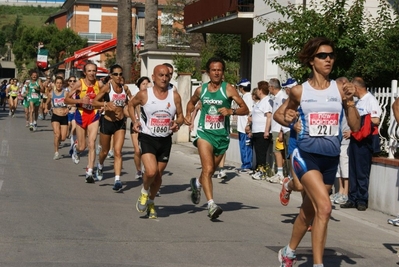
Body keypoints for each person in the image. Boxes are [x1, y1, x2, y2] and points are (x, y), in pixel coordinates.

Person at [274, 37, 360, 266]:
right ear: (312, 60)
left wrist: (350, 103)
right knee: (325, 207)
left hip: (330, 159)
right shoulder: (299, 91)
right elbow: (280, 116)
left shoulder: (340, 88)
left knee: (308, 212)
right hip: (306, 155)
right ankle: (318, 264)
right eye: (322, 56)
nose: (328, 59)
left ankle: (288, 251)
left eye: (331, 55)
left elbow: (356, 126)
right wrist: (292, 122)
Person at [184, 57, 249, 219]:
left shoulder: (229, 89)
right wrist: (187, 115)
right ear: (208, 72)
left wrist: (231, 112)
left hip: (222, 136)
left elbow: (245, 109)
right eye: (213, 70)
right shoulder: (202, 90)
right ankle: (211, 204)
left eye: (219, 70)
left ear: (223, 72)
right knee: (207, 169)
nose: (216, 72)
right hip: (204, 134)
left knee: (211, 170)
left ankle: (197, 184)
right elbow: (191, 103)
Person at [128, 64, 184, 219]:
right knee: (151, 171)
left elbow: (180, 116)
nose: (164, 78)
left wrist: (177, 123)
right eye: (160, 75)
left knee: (158, 176)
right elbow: (130, 105)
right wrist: (135, 121)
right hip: (147, 137)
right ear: (153, 77)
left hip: (165, 139)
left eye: (167, 75)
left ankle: (151, 202)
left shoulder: (175, 96)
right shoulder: (145, 94)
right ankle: (144, 192)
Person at [340, 77, 381, 211]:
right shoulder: (358, 102)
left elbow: (375, 120)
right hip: (355, 139)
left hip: (365, 141)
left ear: (356, 88)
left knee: (362, 171)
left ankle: (362, 199)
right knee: (353, 170)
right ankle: (352, 198)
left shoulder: (371, 100)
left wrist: (361, 123)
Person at [92, 64, 132, 190]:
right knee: (104, 151)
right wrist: (105, 103)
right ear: (111, 75)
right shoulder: (106, 88)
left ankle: (117, 180)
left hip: (120, 123)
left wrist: (132, 114)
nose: (119, 76)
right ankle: (100, 165)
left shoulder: (125, 88)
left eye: (120, 74)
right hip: (107, 121)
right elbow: (94, 103)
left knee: (118, 152)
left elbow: (130, 103)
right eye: (116, 74)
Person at [64, 62, 103, 183]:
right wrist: (80, 100)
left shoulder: (99, 84)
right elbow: (66, 99)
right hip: (81, 114)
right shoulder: (79, 84)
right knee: (83, 146)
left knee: (92, 143)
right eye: (89, 71)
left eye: (94, 71)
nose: (92, 73)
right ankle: (76, 148)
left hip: (94, 115)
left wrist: (102, 105)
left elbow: (103, 98)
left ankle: (89, 171)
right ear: (85, 72)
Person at [268, 78, 290, 184]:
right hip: (276, 128)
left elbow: (284, 113)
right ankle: (280, 173)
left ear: (272, 87)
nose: (268, 88)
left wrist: (281, 130)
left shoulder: (282, 97)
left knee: (281, 152)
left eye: (269, 86)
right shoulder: (276, 97)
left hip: (280, 128)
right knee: (277, 151)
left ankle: (283, 174)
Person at [250, 80, 273, 180]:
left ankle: (262, 171)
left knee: (261, 153)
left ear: (260, 90)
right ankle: (259, 170)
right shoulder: (260, 102)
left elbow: (269, 116)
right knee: (258, 152)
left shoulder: (267, 101)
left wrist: (266, 131)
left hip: (262, 131)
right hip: (256, 131)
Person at [130, 76, 151, 180]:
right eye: (143, 84)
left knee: (147, 151)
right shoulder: (135, 97)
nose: (146, 86)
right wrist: (135, 120)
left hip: (147, 126)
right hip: (136, 125)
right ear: (139, 86)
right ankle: (138, 170)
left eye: (147, 84)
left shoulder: (152, 96)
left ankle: (146, 168)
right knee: (138, 151)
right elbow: (127, 110)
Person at [44, 76, 69, 160]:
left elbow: (70, 102)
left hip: (64, 116)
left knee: (63, 137)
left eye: (60, 83)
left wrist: (68, 108)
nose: (59, 85)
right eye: (57, 83)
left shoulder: (65, 93)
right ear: (55, 84)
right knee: (57, 134)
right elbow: (47, 102)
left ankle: (58, 141)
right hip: (55, 116)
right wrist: (46, 108)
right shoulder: (51, 93)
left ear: (62, 84)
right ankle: (56, 152)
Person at [236, 78, 254, 174]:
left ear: (242, 88)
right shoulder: (244, 97)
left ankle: (247, 165)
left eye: (239, 87)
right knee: (243, 146)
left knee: (246, 147)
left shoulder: (248, 98)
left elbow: (251, 113)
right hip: (241, 127)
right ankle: (244, 164)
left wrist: (248, 125)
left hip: (245, 128)